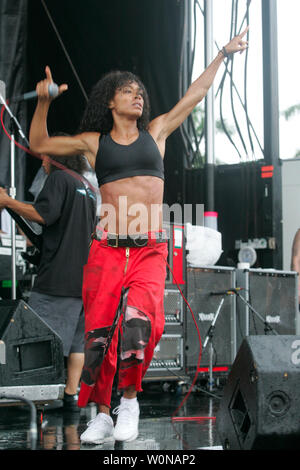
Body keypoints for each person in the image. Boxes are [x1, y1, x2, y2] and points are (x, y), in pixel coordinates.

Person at [27, 27, 248, 443]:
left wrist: (223, 53)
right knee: (97, 337)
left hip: (147, 249)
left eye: (139, 91)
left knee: (141, 326)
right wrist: (42, 103)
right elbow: (39, 141)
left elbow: (195, 94)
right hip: (106, 251)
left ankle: (128, 400)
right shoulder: (95, 143)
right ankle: (102, 413)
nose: (137, 95)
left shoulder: (157, 133)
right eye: (128, 91)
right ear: (110, 102)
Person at [0, 150, 97, 411]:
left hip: (58, 279)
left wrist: (8, 201)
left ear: (54, 158)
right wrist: (13, 208)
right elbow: (55, 229)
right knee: (78, 341)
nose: (41, 162)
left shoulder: (58, 180)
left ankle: (44, 398)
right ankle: (70, 394)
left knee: (43, 339)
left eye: (44, 157)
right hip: (84, 279)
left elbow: (44, 215)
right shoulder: (87, 187)